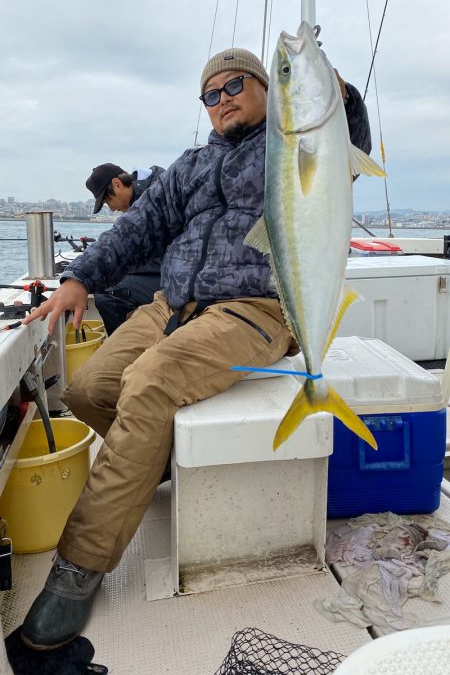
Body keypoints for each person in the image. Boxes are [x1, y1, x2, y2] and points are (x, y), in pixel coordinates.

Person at [20, 47, 372, 649]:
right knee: (87, 389)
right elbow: (137, 228)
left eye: (235, 84)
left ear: (267, 89)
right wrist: (79, 277)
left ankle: (80, 567)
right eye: (209, 94)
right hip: (173, 306)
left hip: (254, 309)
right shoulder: (189, 167)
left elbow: (342, 150)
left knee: (148, 385)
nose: (222, 98)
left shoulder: (287, 144)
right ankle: (151, 464)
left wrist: (344, 102)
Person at [85, 163, 165, 335]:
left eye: (108, 201)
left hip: (174, 276)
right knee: (110, 280)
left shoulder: (153, 196)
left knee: (108, 294)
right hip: (164, 270)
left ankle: (125, 354)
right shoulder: (148, 191)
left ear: (118, 184)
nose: (112, 208)